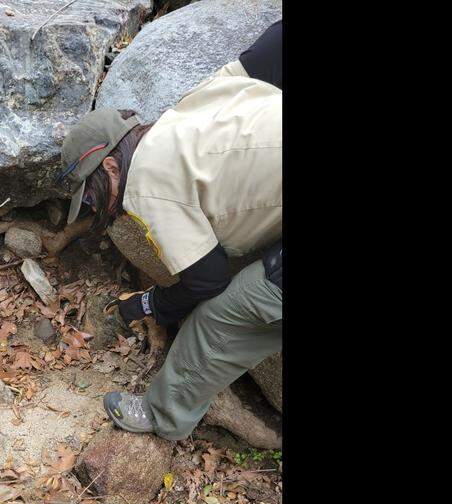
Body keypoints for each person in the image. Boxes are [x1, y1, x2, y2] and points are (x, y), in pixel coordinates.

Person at [56, 21, 282, 441]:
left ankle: (162, 416)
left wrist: (145, 305)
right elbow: (270, 50)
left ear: (109, 166)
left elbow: (206, 282)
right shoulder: (192, 104)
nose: (93, 209)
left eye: (89, 197)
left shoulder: (145, 185)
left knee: (219, 320)